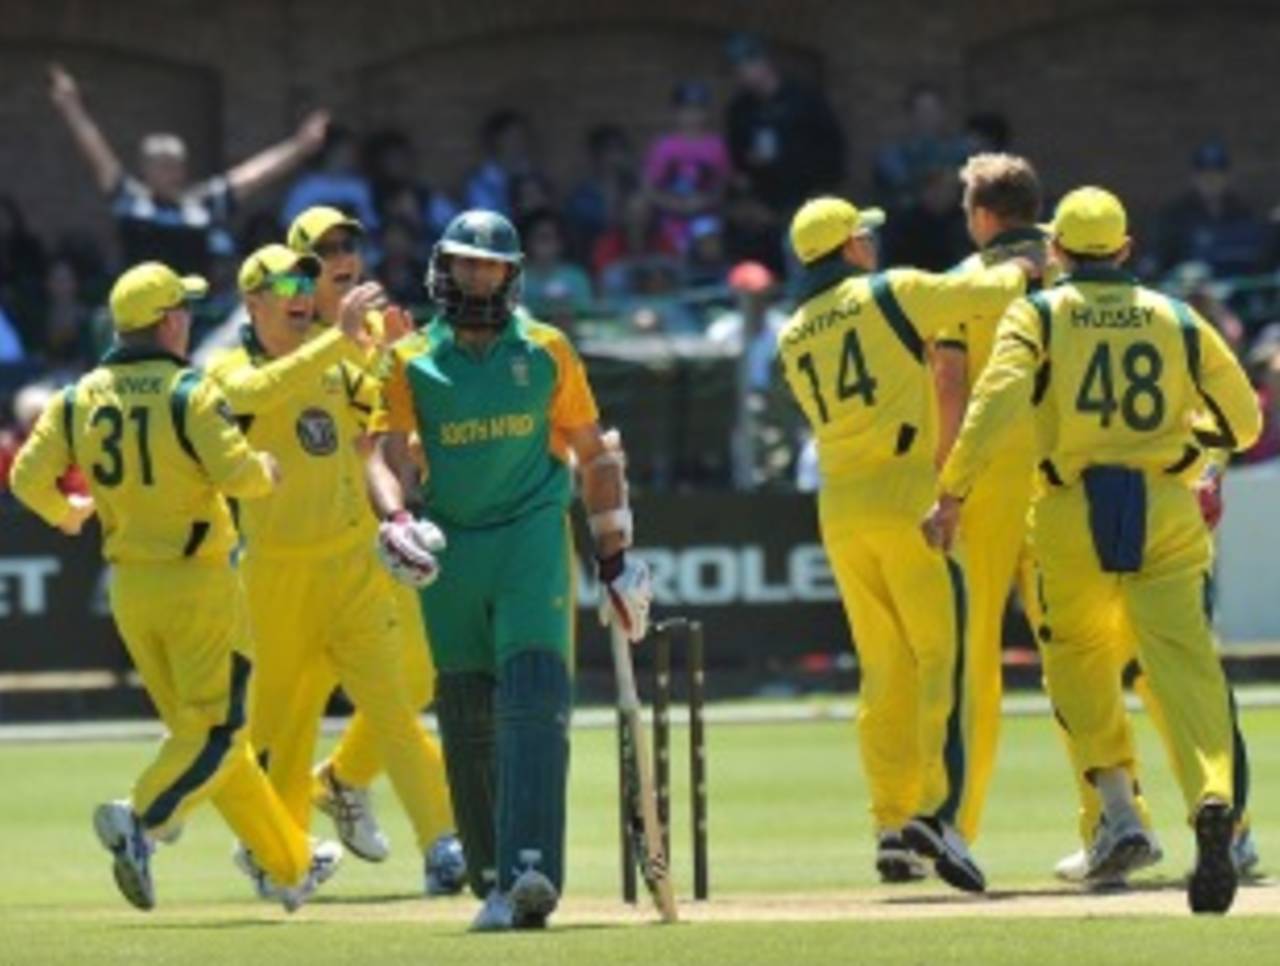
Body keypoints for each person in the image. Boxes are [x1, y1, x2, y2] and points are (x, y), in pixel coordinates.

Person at [925, 186, 1262, 915]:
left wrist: (952, 490)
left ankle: (1118, 809)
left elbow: (993, 404)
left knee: (1076, 662)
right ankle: (1215, 804)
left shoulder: (1039, 312)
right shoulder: (1176, 316)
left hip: (1071, 508)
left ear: (1057, 253)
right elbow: (1242, 422)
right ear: (1126, 249)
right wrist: (1188, 444)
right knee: (1187, 670)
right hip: (1167, 505)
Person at [9, 261, 341, 912]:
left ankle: (289, 864)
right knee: (216, 732)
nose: (189, 319)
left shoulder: (77, 397)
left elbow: (25, 478)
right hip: (199, 584)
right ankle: (141, 819)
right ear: (166, 323)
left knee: (210, 739)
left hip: (130, 590)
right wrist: (264, 470)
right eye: (183, 310)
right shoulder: (190, 391)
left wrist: (67, 512)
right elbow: (235, 473)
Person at [365, 209, 653, 930]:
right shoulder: (410, 359)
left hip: (530, 536)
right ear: (443, 268)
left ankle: (532, 871)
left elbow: (594, 454)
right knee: (465, 715)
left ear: (512, 273)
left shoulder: (548, 349)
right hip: (452, 548)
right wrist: (396, 520)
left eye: (490, 264)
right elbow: (380, 453)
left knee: (531, 696)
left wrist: (615, 561)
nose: (477, 275)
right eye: (465, 262)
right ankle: (493, 879)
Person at [776, 196, 1035, 893]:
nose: (873, 244)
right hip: (906, 493)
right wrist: (1029, 259)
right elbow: (982, 291)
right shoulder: (892, 291)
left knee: (882, 668)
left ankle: (890, 825)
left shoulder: (792, 331)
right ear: (849, 248)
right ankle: (934, 814)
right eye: (865, 237)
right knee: (942, 659)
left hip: (840, 503)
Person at [206, 240, 460, 899]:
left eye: (304, 282)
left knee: (395, 708)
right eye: (287, 281)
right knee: (276, 728)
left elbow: (377, 421)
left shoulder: (336, 359)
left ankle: (443, 844)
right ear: (253, 301)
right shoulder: (228, 369)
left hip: (350, 569)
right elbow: (259, 391)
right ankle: (275, 851)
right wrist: (340, 341)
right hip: (276, 578)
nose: (299, 292)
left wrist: (402, 353)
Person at [284, 205, 464, 895]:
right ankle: (263, 830)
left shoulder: (385, 326)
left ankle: (340, 782)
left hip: (376, 534)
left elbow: (399, 423)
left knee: (415, 681)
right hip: (300, 545)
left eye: (349, 242)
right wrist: (343, 340)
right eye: (325, 247)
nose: (342, 254)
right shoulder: (286, 333)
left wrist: (401, 352)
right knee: (282, 703)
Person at [929, 153, 1053, 849]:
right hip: (1063, 474)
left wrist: (946, 485)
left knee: (974, 661)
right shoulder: (1072, 271)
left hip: (985, 478)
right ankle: (1116, 818)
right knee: (1080, 656)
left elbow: (949, 384)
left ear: (980, 215)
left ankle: (958, 828)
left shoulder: (963, 283)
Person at [47, 63, 328, 276]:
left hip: (191, 314)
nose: (173, 172)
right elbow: (97, 153)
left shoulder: (202, 205)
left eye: (177, 165)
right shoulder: (129, 201)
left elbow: (252, 176)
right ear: (146, 169)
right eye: (163, 165)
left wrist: (299, 147)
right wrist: (71, 106)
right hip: (138, 315)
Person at [724, 33, 847, 271]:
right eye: (737, 69)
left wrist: (823, 191)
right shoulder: (740, 110)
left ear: (763, 63)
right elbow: (737, 162)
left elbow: (833, 146)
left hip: (808, 195)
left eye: (747, 65)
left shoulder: (803, 99)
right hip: (763, 201)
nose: (743, 74)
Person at [643, 81, 732, 249]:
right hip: (669, 218)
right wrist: (673, 204)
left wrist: (704, 201)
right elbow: (649, 186)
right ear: (675, 112)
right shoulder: (663, 146)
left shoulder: (717, 145)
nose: (692, 116)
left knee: (709, 245)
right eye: (686, 110)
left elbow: (723, 184)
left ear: (706, 112)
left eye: (698, 110)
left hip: (706, 217)